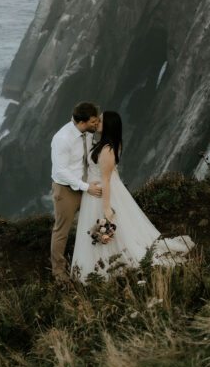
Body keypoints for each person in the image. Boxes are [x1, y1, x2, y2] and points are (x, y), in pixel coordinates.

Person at [71, 111, 194, 282]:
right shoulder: (103, 145)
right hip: (94, 193)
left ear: (108, 126)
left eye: (101, 120)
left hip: (100, 194)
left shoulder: (107, 149)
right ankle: (103, 267)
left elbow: (106, 179)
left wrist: (107, 207)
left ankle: (108, 268)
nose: (97, 122)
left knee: (109, 229)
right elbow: (114, 171)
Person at [50, 101, 102, 281]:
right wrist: (86, 187)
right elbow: (60, 172)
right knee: (61, 231)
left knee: (94, 223)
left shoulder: (86, 133)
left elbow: (87, 151)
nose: (97, 124)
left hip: (86, 185)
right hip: (66, 190)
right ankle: (58, 272)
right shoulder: (62, 138)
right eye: (94, 121)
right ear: (82, 122)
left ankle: (93, 263)